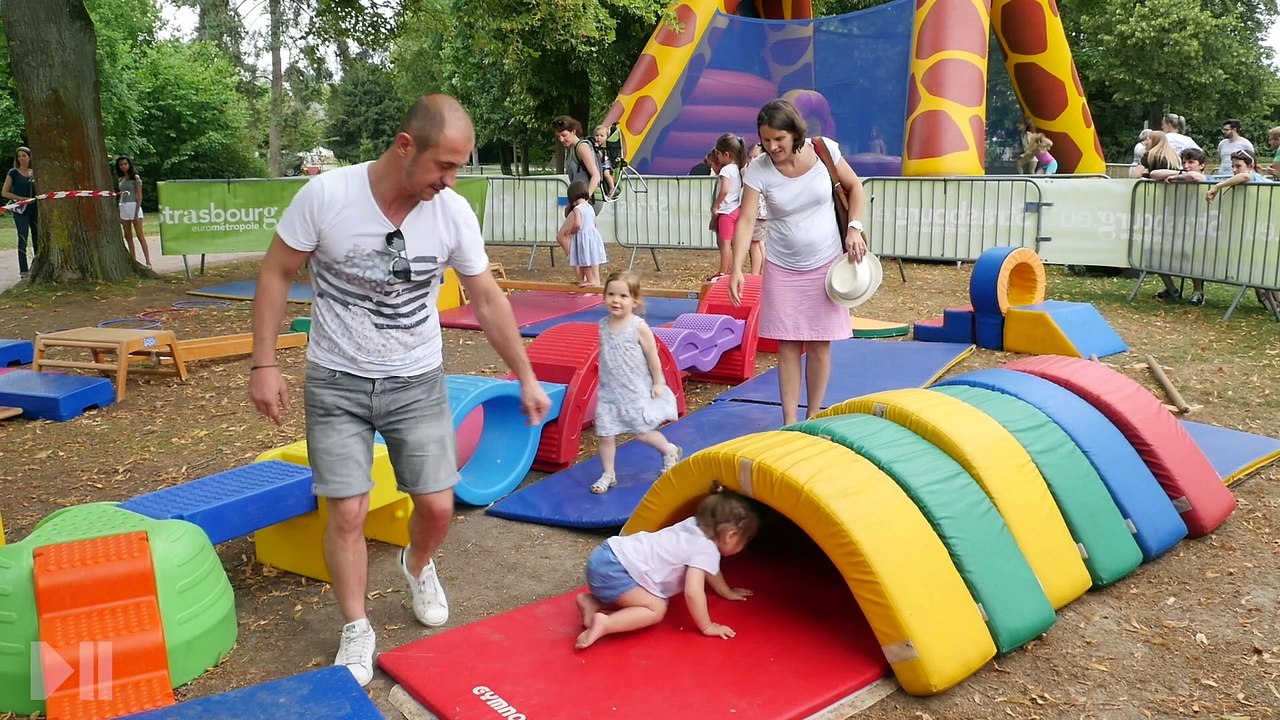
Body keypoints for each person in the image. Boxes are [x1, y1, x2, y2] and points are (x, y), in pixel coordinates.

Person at [248, 93, 552, 687]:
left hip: (415, 378)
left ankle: (418, 565)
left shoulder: (452, 212)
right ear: (405, 146)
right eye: (444, 165)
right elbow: (276, 271)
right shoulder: (328, 197)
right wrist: (263, 363)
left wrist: (525, 373)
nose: (450, 178)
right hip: (337, 378)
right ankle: (358, 625)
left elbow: (486, 297)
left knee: (439, 506)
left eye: (458, 167)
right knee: (347, 512)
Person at [728, 99, 867, 425]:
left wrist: (855, 229)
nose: (772, 146)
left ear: (794, 133)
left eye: (779, 139)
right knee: (788, 347)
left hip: (825, 264)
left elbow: (855, 186)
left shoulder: (824, 151)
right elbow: (746, 219)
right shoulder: (758, 169)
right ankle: (790, 421)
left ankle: (814, 415)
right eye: (765, 140)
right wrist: (736, 267)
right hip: (782, 266)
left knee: (820, 345)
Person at [574, 488, 760, 649]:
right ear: (731, 535)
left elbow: (710, 569)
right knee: (656, 607)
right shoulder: (706, 548)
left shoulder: (693, 524)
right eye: (745, 540)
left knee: (639, 592)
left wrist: (725, 591)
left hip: (603, 557)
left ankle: (592, 602)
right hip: (616, 571)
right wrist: (707, 626)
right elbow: (693, 592)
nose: (743, 546)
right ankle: (606, 624)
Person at [591, 270, 681, 494]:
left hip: (635, 390)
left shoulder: (638, 326)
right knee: (605, 433)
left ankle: (669, 450)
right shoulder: (603, 325)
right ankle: (608, 474)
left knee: (641, 432)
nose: (616, 300)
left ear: (634, 301)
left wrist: (658, 382)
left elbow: (653, 357)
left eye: (623, 296)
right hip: (610, 391)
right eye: (611, 294)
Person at [1148, 147, 1211, 305]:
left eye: (1191, 162)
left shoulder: (1204, 177)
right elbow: (1154, 174)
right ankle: (1171, 289)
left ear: (1202, 165)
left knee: (1192, 256)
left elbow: (1194, 177)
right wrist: (1177, 174)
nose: (1187, 165)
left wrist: (1177, 176)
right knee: (1155, 252)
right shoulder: (1181, 174)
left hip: (1198, 223)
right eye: (1184, 162)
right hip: (1176, 222)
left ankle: (1198, 292)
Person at [708, 134, 745, 281]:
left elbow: (724, 190)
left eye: (718, 154)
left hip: (726, 211)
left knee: (724, 244)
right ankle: (729, 270)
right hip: (735, 209)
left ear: (726, 154)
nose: (717, 157)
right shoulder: (736, 168)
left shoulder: (726, 170)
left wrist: (716, 205)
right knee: (729, 243)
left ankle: (723, 272)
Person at [556, 180, 606, 287]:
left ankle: (590, 280)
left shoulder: (577, 209)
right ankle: (592, 280)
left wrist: (571, 231)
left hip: (582, 236)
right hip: (592, 236)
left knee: (582, 261)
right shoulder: (590, 208)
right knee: (591, 259)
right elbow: (593, 222)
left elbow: (578, 223)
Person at [2, 146, 37, 278]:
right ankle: (23, 270)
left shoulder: (35, 172)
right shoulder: (13, 172)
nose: (22, 158)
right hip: (20, 209)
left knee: (37, 236)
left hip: (35, 208)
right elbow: (5, 192)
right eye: (19, 156)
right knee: (23, 237)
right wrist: (21, 199)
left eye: (24, 155)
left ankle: (36, 265)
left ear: (29, 157)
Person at [552, 116, 602, 201]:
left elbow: (596, 176)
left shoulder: (582, 148)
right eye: (558, 136)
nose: (561, 139)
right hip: (579, 199)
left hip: (590, 199)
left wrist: (585, 200)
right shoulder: (571, 149)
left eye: (564, 135)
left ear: (573, 132)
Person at [115, 156, 152, 268]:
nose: (123, 166)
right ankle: (133, 260)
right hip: (123, 206)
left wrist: (136, 212)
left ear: (129, 164)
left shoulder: (135, 178)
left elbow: (139, 196)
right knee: (128, 236)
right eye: (121, 165)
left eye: (125, 164)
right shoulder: (120, 179)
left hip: (133, 206)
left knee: (140, 235)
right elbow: (121, 195)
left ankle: (148, 261)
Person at [746, 143, 767, 274]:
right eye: (750, 157)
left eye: (756, 156)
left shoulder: (758, 172)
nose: (752, 160)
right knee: (760, 243)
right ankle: (762, 270)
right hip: (763, 214)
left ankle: (755, 273)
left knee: (754, 243)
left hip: (758, 214)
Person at [593, 124, 616, 197]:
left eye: (601, 136)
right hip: (598, 164)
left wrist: (596, 149)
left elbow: (601, 156)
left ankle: (612, 187)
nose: (599, 138)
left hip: (606, 164)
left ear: (606, 137)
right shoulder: (594, 145)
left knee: (606, 174)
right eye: (597, 135)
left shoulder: (605, 146)